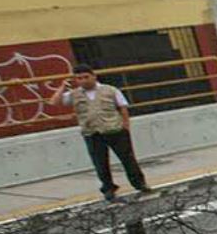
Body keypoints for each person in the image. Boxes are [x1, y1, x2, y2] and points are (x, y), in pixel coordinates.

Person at [52, 66, 150, 201]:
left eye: (86, 77)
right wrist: (63, 87)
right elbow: (54, 102)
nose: (83, 81)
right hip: (92, 132)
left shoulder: (110, 90)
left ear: (93, 76)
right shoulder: (74, 94)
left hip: (114, 129)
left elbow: (123, 107)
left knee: (127, 159)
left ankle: (139, 183)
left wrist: (125, 126)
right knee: (100, 163)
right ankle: (108, 189)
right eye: (79, 78)